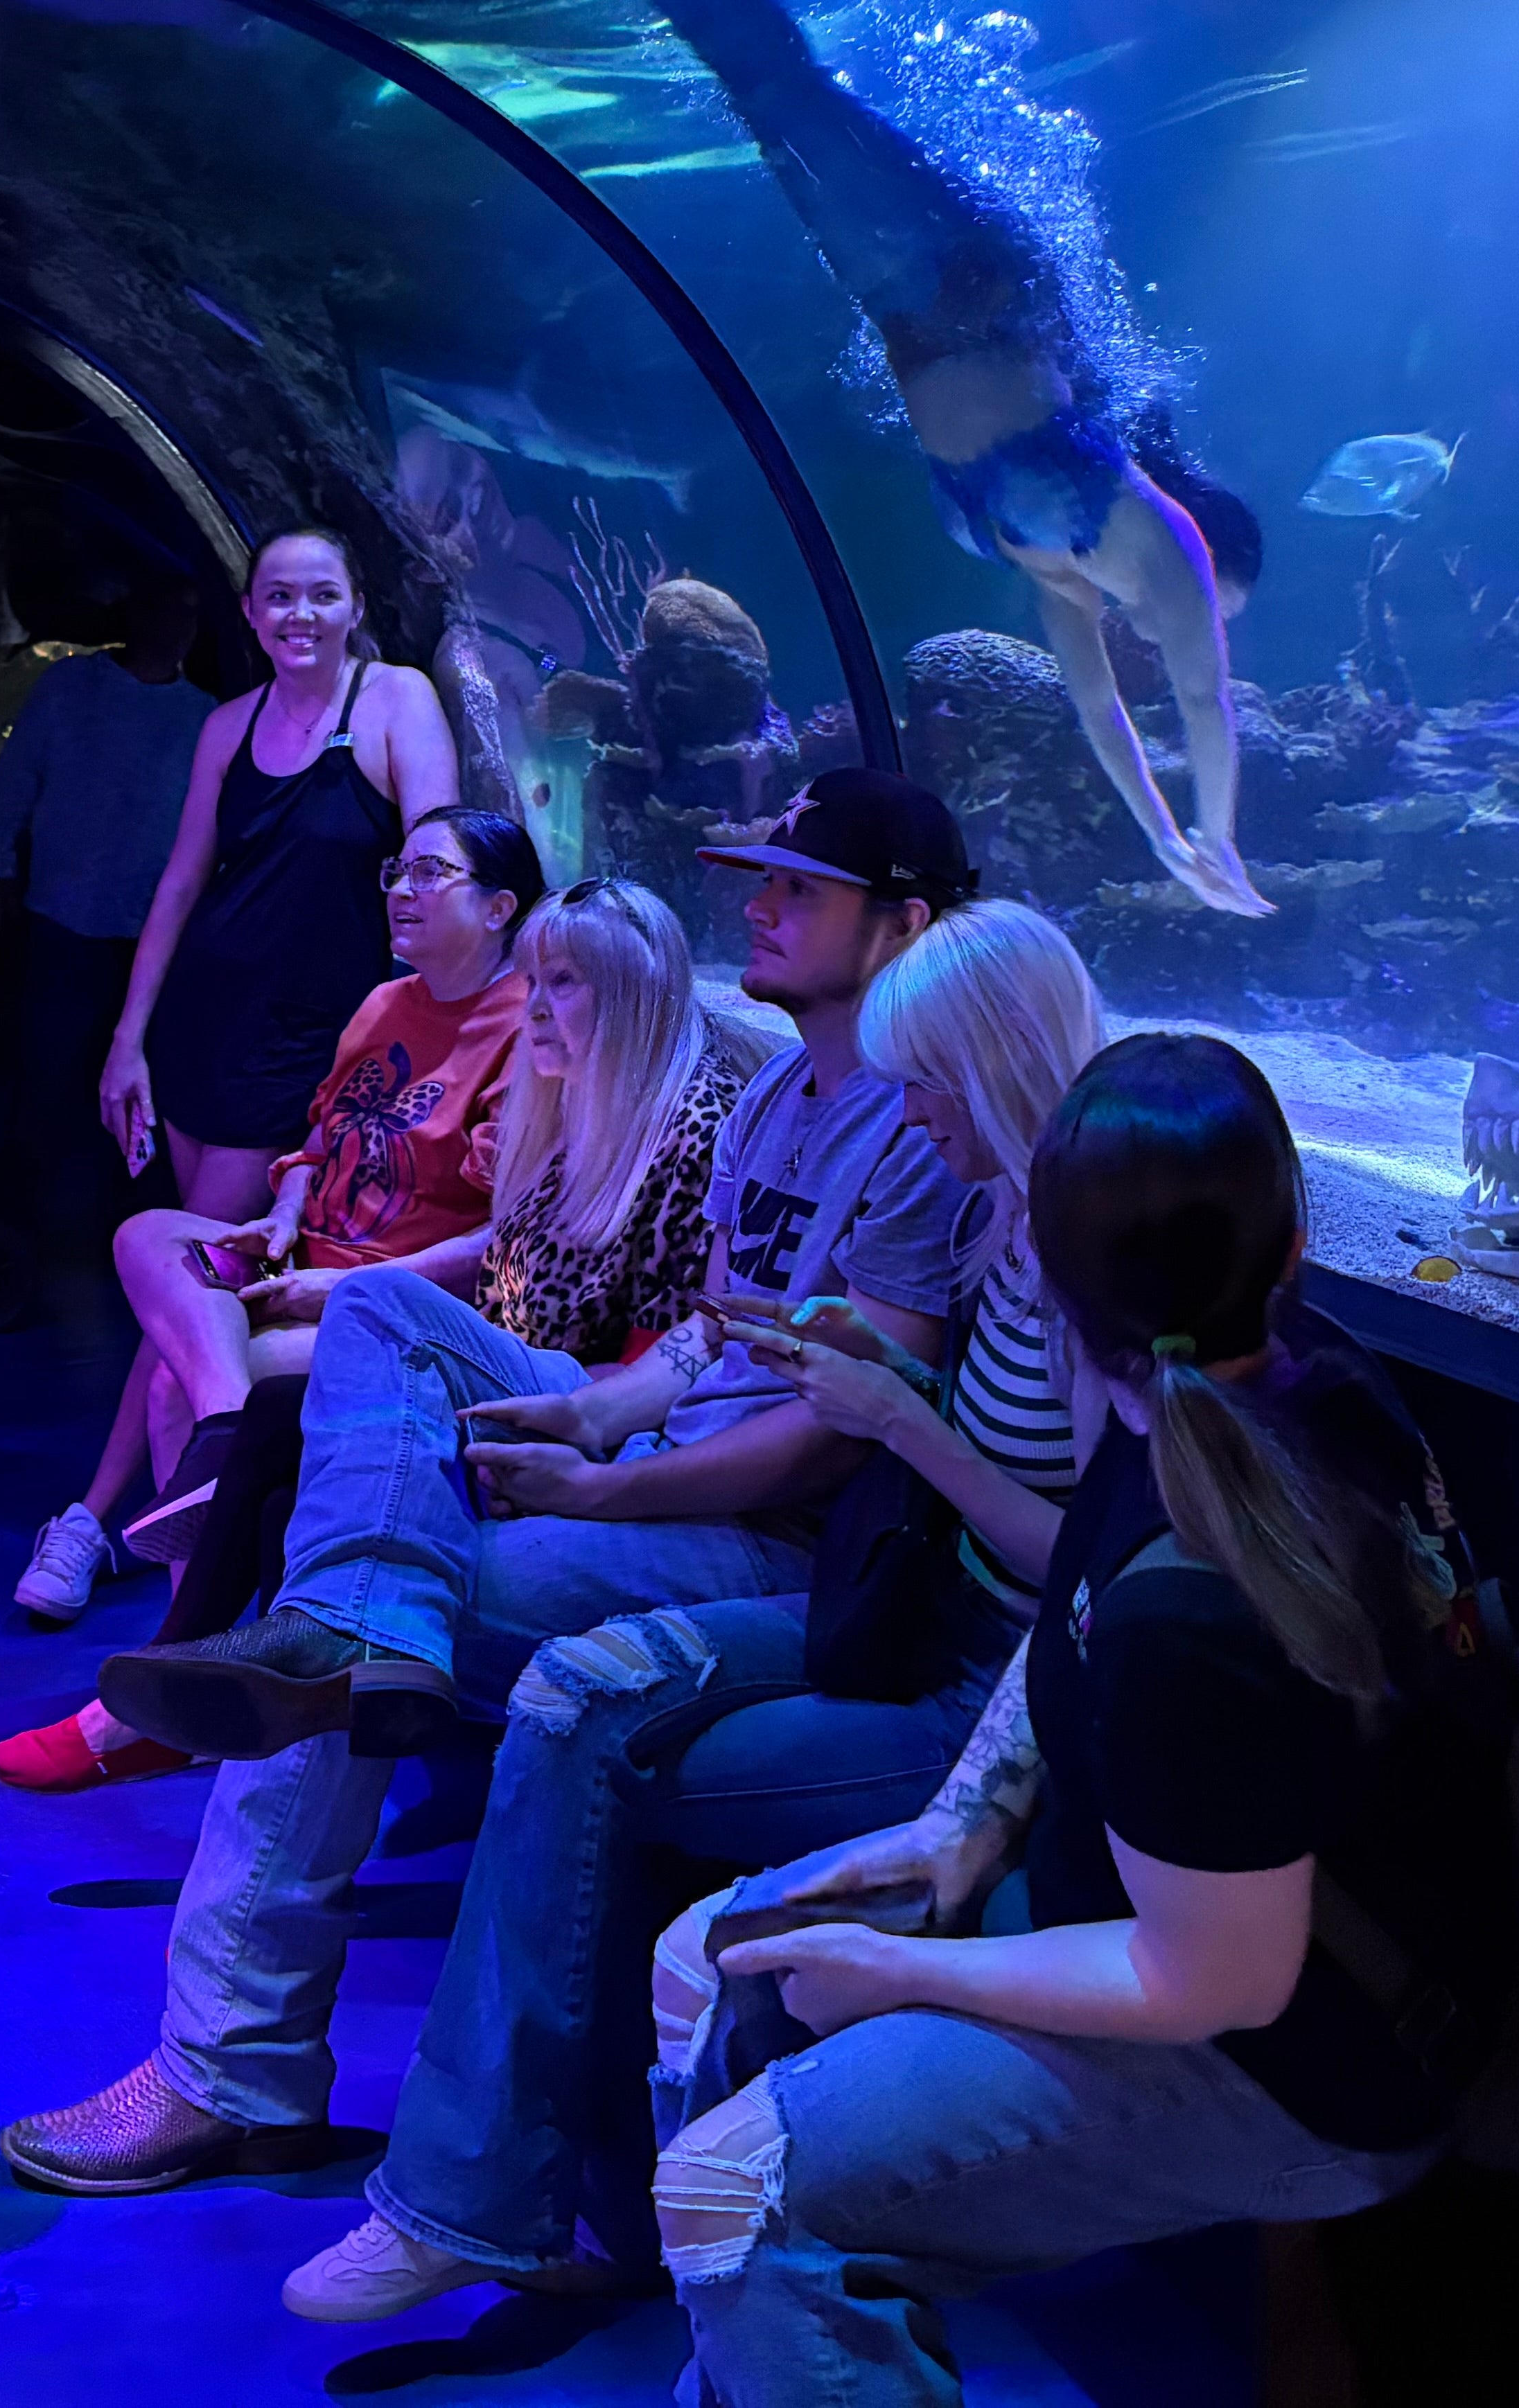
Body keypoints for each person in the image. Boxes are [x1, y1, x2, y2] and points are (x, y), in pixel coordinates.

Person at [0, 768, 988, 2198]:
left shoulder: (919, 1128)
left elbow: (833, 1437)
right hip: (664, 1450)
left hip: (770, 1539)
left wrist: (601, 1491)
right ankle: (357, 1617)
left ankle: (232, 2069)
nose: (759, 905)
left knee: (348, 1634)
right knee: (382, 1323)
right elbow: (711, 1337)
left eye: (800, 888)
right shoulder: (784, 1087)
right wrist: (592, 1417)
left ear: (902, 923)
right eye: (759, 877)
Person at [322, 0, 1279, 916]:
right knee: (762, 63)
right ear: (1193, 543)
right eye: (1201, 606)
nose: (1185, 634)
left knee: (748, 70)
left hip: (898, 296)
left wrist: (1171, 841)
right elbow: (1207, 690)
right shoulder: (1132, 526)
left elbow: (1106, 713)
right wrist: (1223, 825)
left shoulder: (1065, 572)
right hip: (953, 270)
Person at [654, 1034, 1517, 2404]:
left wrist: (908, 1971)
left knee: (730, 2191)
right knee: (706, 1960)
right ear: (1289, 1246)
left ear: (1050, 1285)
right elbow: (1073, 1606)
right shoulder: (1259, 1373)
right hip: (1187, 1951)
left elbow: (1216, 1983)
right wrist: (963, 1820)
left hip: (1297, 2060)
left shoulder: (1204, 1605)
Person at [285, 897, 1110, 2321]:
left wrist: (903, 1425)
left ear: (993, 1066)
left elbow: (1091, 1572)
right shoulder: (1000, 1214)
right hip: (899, 1615)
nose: (909, 1113)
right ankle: (481, 2202)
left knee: (571, 1699)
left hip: (989, 1704)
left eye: (928, 1082)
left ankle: (476, 2200)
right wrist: (864, 1375)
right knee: (560, 1691)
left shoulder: (1098, 1260)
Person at [0, 807, 543, 1781]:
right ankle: (220, 1455)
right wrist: (285, 1217)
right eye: (396, 871)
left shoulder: (525, 1030)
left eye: (429, 874)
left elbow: (505, 1234)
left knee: (168, 1380)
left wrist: (347, 1284)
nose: (401, 892)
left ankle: (180, 1679)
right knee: (149, 1233)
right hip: (307, 1262)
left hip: (398, 1305)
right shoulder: (383, 1005)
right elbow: (317, 1144)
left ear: (500, 907)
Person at [28, 531, 459, 1616]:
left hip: (316, 1043)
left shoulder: (397, 701)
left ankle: (95, 1514)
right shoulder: (230, 723)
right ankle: (172, 1520)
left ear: (356, 603)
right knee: (185, 1279)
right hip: (202, 1027)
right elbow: (179, 887)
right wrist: (129, 1038)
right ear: (251, 610)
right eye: (279, 597)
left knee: (200, 1276)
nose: (299, 615)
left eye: (322, 594)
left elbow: (440, 862)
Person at [0, 580, 213, 1276]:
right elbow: (15, 781)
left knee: (146, 1092)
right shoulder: (69, 688)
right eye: (162, 607)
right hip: (64, 918)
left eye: (186, 614)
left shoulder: (205, 717)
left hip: (154, 939)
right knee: (47, 1077)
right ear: (133, 613)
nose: (175, 625)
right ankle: (11, 1239)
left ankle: (135, 1237)